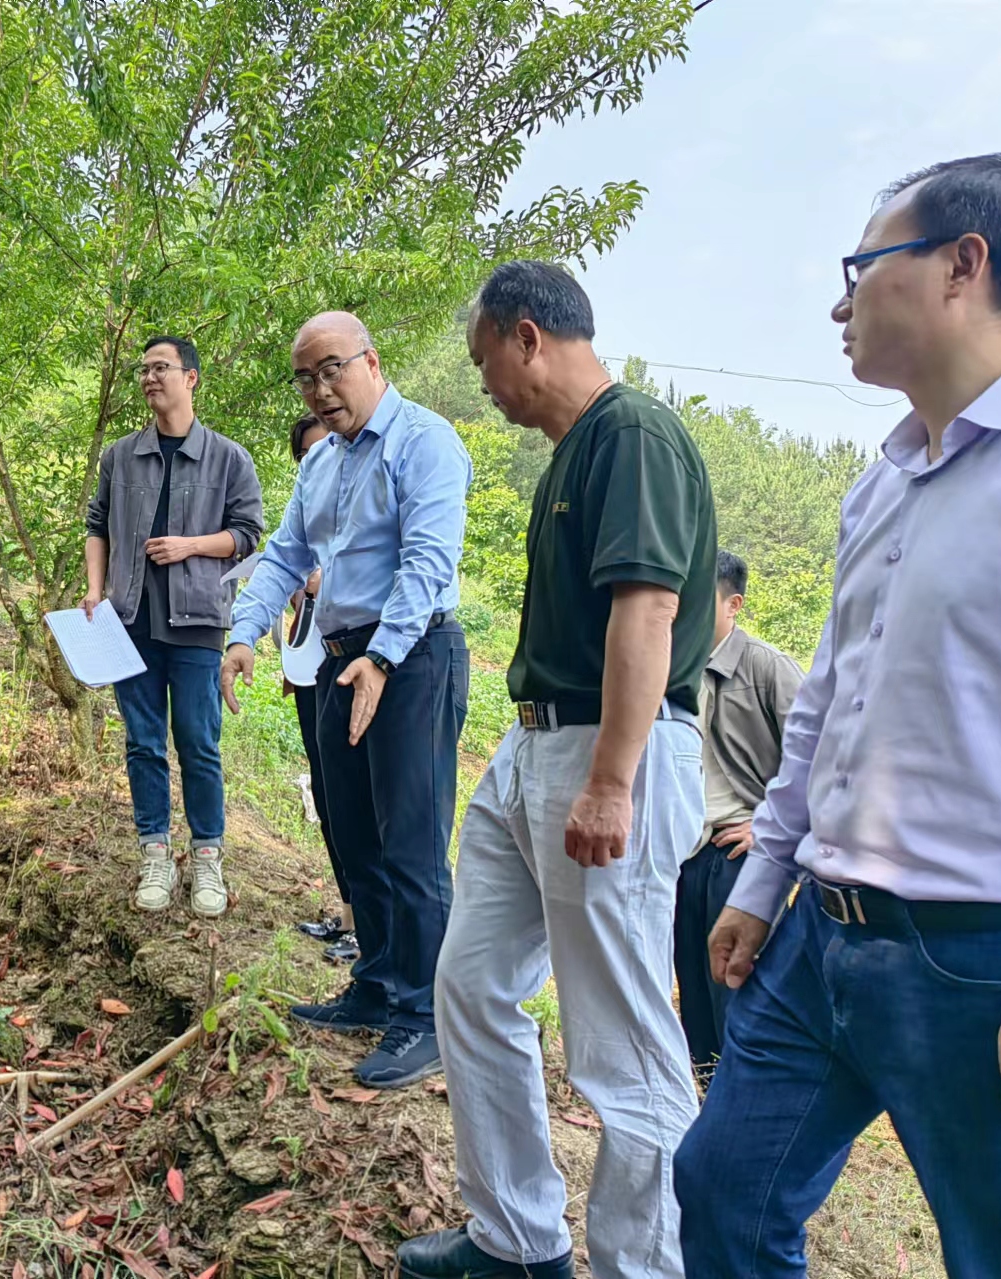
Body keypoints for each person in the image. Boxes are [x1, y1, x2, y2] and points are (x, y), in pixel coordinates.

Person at [675, 154, 1001, 1278]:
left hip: (976, 954)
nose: (838, 303)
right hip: (816, 935)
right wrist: (761, 879)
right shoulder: (878, 483)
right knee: (721, 1187)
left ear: (959, 267)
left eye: (860, 266)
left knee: (998, 1249)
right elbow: (828, 704)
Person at [401, 263, 715, 1279]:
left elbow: (647, 609)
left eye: (482, 358)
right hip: (539, 743)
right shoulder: (571, 454)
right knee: (473, 979)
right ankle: (515, 1236)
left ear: (524, 334)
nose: (482, 381)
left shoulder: (630, 435)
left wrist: (609, 779)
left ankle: (641, 1265)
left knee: (618, 1039)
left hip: (605, 748)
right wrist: (530, 749)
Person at [223, 311, 471, 1089]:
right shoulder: (321, 462)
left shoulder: (424, 441)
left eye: (332, 368)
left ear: (372, 360)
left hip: (412, 658)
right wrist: (241, 630)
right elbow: (288, 552)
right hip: (336, 661)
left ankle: (426, 1015)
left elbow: (429, 561)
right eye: (305, 376)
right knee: (351, 832)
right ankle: (377, 980)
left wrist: (384, 656)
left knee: (412, 843)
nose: (321, 389)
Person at [83, 336, 264, 918]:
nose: (149, 378)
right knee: (142, 741)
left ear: (191, 379)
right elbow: (97, 525)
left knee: (198, 742)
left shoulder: (228, 458)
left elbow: (248, 535)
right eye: (143, 370)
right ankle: (155, 853)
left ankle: (207, 857)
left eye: (160, 368)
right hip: (129, 618)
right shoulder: (119, 456)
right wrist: (94, 589)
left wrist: (190, 546)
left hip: (198, 622)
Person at [673, 549, 801, 1086]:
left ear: (734, 605)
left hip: (737, 850)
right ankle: (703, 1092)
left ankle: (740, 1094)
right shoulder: (671, 660)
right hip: (682, 848)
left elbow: (819, 754)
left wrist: (769, 824)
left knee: (734, 981)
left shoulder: (766, 667)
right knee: (692, 986)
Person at [276, 413, 357, 963]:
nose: (316, 462)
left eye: (323, 448)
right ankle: (349, 915)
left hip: (361, 668)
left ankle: (366, 926)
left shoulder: (363, 510)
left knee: (357, 800)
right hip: (313, 670)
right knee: (329, 796)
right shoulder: (309, 520)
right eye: (305, 457)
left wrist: (324, 583)